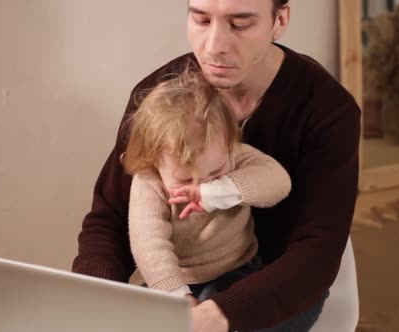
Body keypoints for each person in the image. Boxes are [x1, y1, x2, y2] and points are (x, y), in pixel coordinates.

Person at [72, 0, 361, 331]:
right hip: (184, 285)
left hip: (278, 286)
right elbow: (109, 218)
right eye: (201, 20)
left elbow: (317, 251)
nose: (214, 47)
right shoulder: (157, 99)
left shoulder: (328, 110)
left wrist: (220, 314)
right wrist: (94, 297)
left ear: (279, 20)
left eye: (239, 25)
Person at [122, 68, 291, 306]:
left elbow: (279, 182)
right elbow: (148, 244)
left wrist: (219, 191)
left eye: (214, 172)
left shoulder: (232, 154)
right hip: (175, 278)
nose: (201, 185)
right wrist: (177, 294)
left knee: (223, 313)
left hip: (237, 268)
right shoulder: (148, 181)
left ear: (230, 144)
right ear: (152, 161)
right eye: (184, 179)